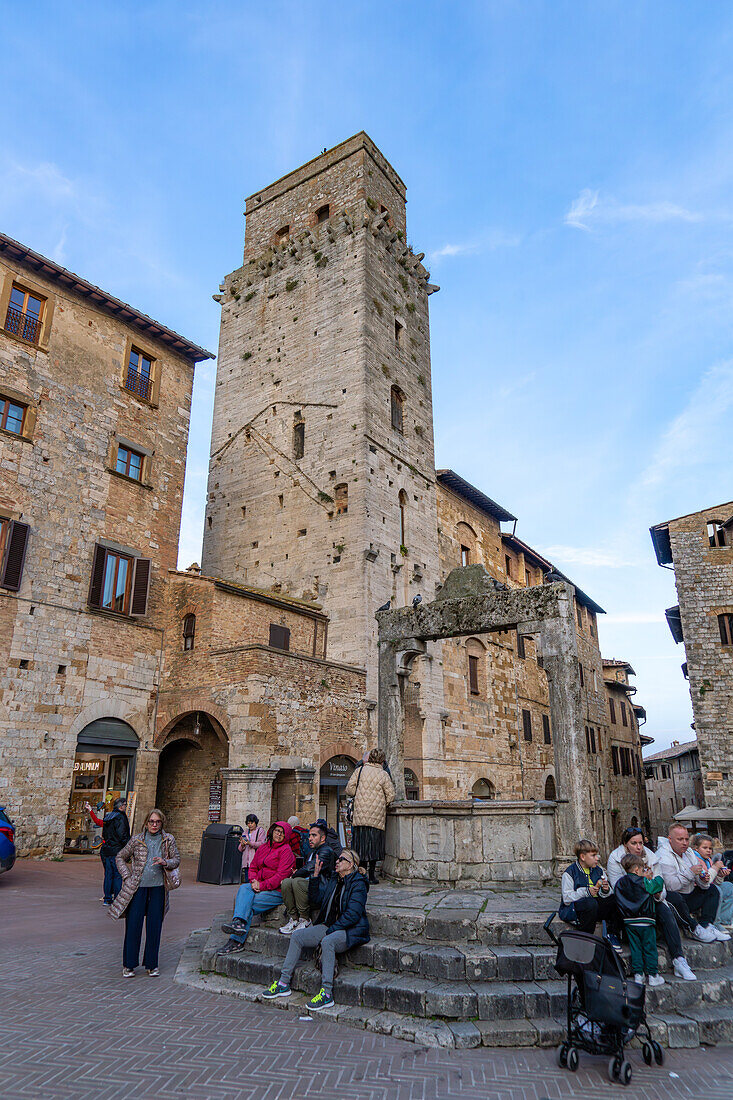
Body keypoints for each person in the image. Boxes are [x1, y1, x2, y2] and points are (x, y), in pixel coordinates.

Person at [262, 848, 370, 1011]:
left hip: (350, 929)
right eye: (337, 859)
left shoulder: (358, 884)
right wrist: (315, 877)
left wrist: (331, 930)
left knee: (327, 942)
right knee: (297, 936)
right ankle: (283, 983)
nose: (337, 861)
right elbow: (316, 900)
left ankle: (326, 994)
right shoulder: (335, 879)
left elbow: (353, 915)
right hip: (330, 926)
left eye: (341, 859)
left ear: (351, 865)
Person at [607, 825, 696, 980]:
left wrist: (656, 895)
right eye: (634, 843)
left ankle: (678, 959)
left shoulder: (652, 858)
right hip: (627, 904)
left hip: (648, 900)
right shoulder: (616, 858)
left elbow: (660, 887)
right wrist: (645, 883)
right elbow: (618, 889)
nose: (639, 847)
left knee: (666, 910)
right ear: (625, 844)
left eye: (641, 843)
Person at [109, 808, 180, 978]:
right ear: (146, 823)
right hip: (137, 888)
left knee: (154, 927)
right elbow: (120, 857)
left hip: (158, 888)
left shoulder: (168, 840)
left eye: (157, 822)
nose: (154, 825)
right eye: (151, 822)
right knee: (134, 926)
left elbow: (176, 860)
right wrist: (126, 875)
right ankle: (129, 965)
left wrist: (166, 862)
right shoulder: (137, 840)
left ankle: (151, 965)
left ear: (162, 823)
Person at [218, 821, 296, 955]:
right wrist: (254, 881)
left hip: (275, 891)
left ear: (286, 836)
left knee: (247, 905)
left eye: (282, 833)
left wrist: (262, 885)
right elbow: (253, 867)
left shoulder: (286, 851)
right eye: (277, 831)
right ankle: (239, 925)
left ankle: (236, 940)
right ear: (272, 831)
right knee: (244, 889)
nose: (279, 834)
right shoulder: (264, 847)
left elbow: (280, 876)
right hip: (258, 885)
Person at [654, 824, 727, 943]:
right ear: (670, 839)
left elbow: (699, 876)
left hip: (688, 894)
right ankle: (694, 929)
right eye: (680, 839)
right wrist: (690, 872)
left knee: (712, 890)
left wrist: (703, 879)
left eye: (686, 839)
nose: (684, 843)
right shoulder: (663, 856)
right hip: (674, 900)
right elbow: (671, 886)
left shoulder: (688, 852)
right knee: (675, 896)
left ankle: (706, 925)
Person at [614, 852, 665, 986]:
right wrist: (652, 877)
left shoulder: (620, 882)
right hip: (646, 919)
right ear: (637, 869)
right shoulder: (643, 881)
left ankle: (638, 974)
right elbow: (658, 884)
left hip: (629, 921)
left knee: (635, 948)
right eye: (642, 869)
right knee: (649, 948)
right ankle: (653, 975)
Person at [345, 748, 396, 884]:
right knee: (373, 846)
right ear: (381, 760)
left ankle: (361, 874)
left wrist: (360, 794)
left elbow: (349, 789)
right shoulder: (383, 774)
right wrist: (381, 803)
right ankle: (372, 876)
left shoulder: (359, 771)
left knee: (360, 846)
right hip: (377, 817)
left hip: (360, 816)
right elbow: (391, 795)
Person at [279, 822, 336, 934]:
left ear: (323, 837)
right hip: (310, 885)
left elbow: (309, 868)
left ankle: (305, 919)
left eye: (314, 835)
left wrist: (295, 874)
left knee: (296, 882)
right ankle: (294, 918)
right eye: (309, 835)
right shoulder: (312, 851)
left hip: (321, 888)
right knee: (286, 882)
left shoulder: (326, 851)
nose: (310, 838)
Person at [559, 839, 618, 934]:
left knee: (615, 900)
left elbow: (606, 894)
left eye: (597, 855)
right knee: (590, 903)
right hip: (576, 910)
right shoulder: (570, 873)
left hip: (596, 908)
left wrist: (605, 890)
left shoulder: (599, 871)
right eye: (593, 855)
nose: (597, 858)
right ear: (582, 857)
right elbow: (567, 899)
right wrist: (586, 892)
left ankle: (613, 934)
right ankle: (586, 936)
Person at [84, 797, 130, 905]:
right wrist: (127, 848)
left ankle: (107, 898)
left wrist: (90, 810)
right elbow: (122, 835)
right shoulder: (120, 818)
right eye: (125, 805)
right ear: (121, 806)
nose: (125, 807)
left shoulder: (108, 817)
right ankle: (117, 899)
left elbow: (98, 822)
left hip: (106, 850)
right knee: (117, 875)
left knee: (109, 874)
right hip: (116, 849)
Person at [692, 832, 733, 932]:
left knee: (728, 886)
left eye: (710, 848)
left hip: (709, 888)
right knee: (716, 890)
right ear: (696, 848)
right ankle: (715, 922)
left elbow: (715, 881)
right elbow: (706, 880)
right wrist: (715, 867)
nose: (708, 851)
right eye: (705, 848)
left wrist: (720, 875)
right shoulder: (695, 859)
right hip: (697, 890)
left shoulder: (708, 860)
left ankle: (725, 920)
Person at [239, 813, 266, 883]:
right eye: (248, 823)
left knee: (255, 880)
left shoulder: (260, 831)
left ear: (255, 822)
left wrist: (250, 843)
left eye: (252, 823)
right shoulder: (245, 832)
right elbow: (240, 849)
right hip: (246, 862)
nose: (250, 825)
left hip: (255, 860)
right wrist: (242, 844)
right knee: (247, 881)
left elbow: (262, 844)